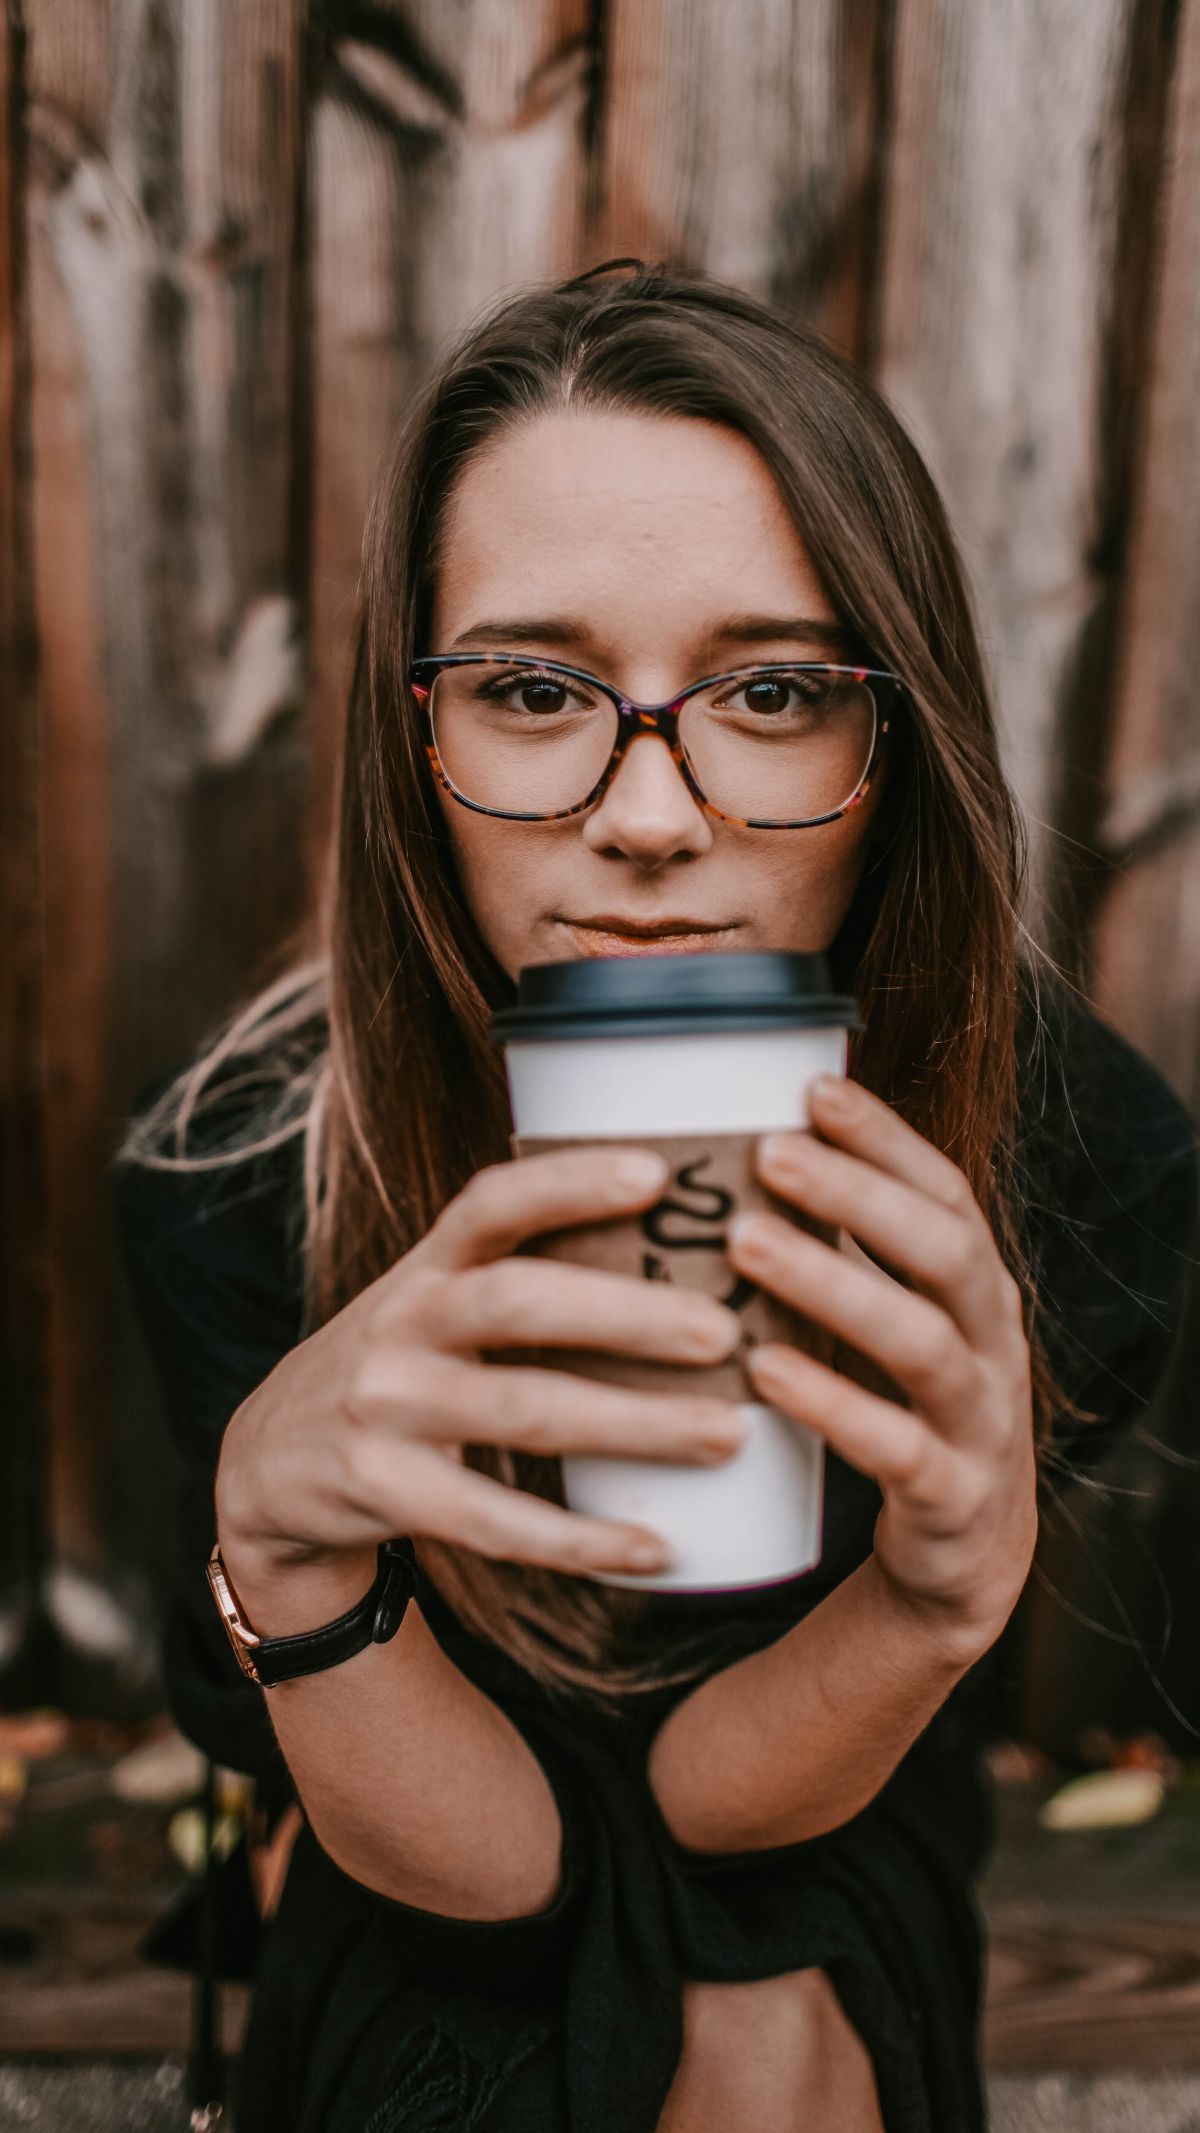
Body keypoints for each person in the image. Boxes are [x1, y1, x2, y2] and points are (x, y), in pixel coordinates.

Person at [115, 260, 1197, 2133]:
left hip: (822, 1788)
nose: (648, 813)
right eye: (535, 687)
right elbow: (480, 1878)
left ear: (896, 743)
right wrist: (284, 1555)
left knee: (763, 2060)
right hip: (403, 1824)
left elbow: (725, 1800)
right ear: (414, 743)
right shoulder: (239, 1167)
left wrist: (932, 1605)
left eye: (771, 690)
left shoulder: (1068, 1157)